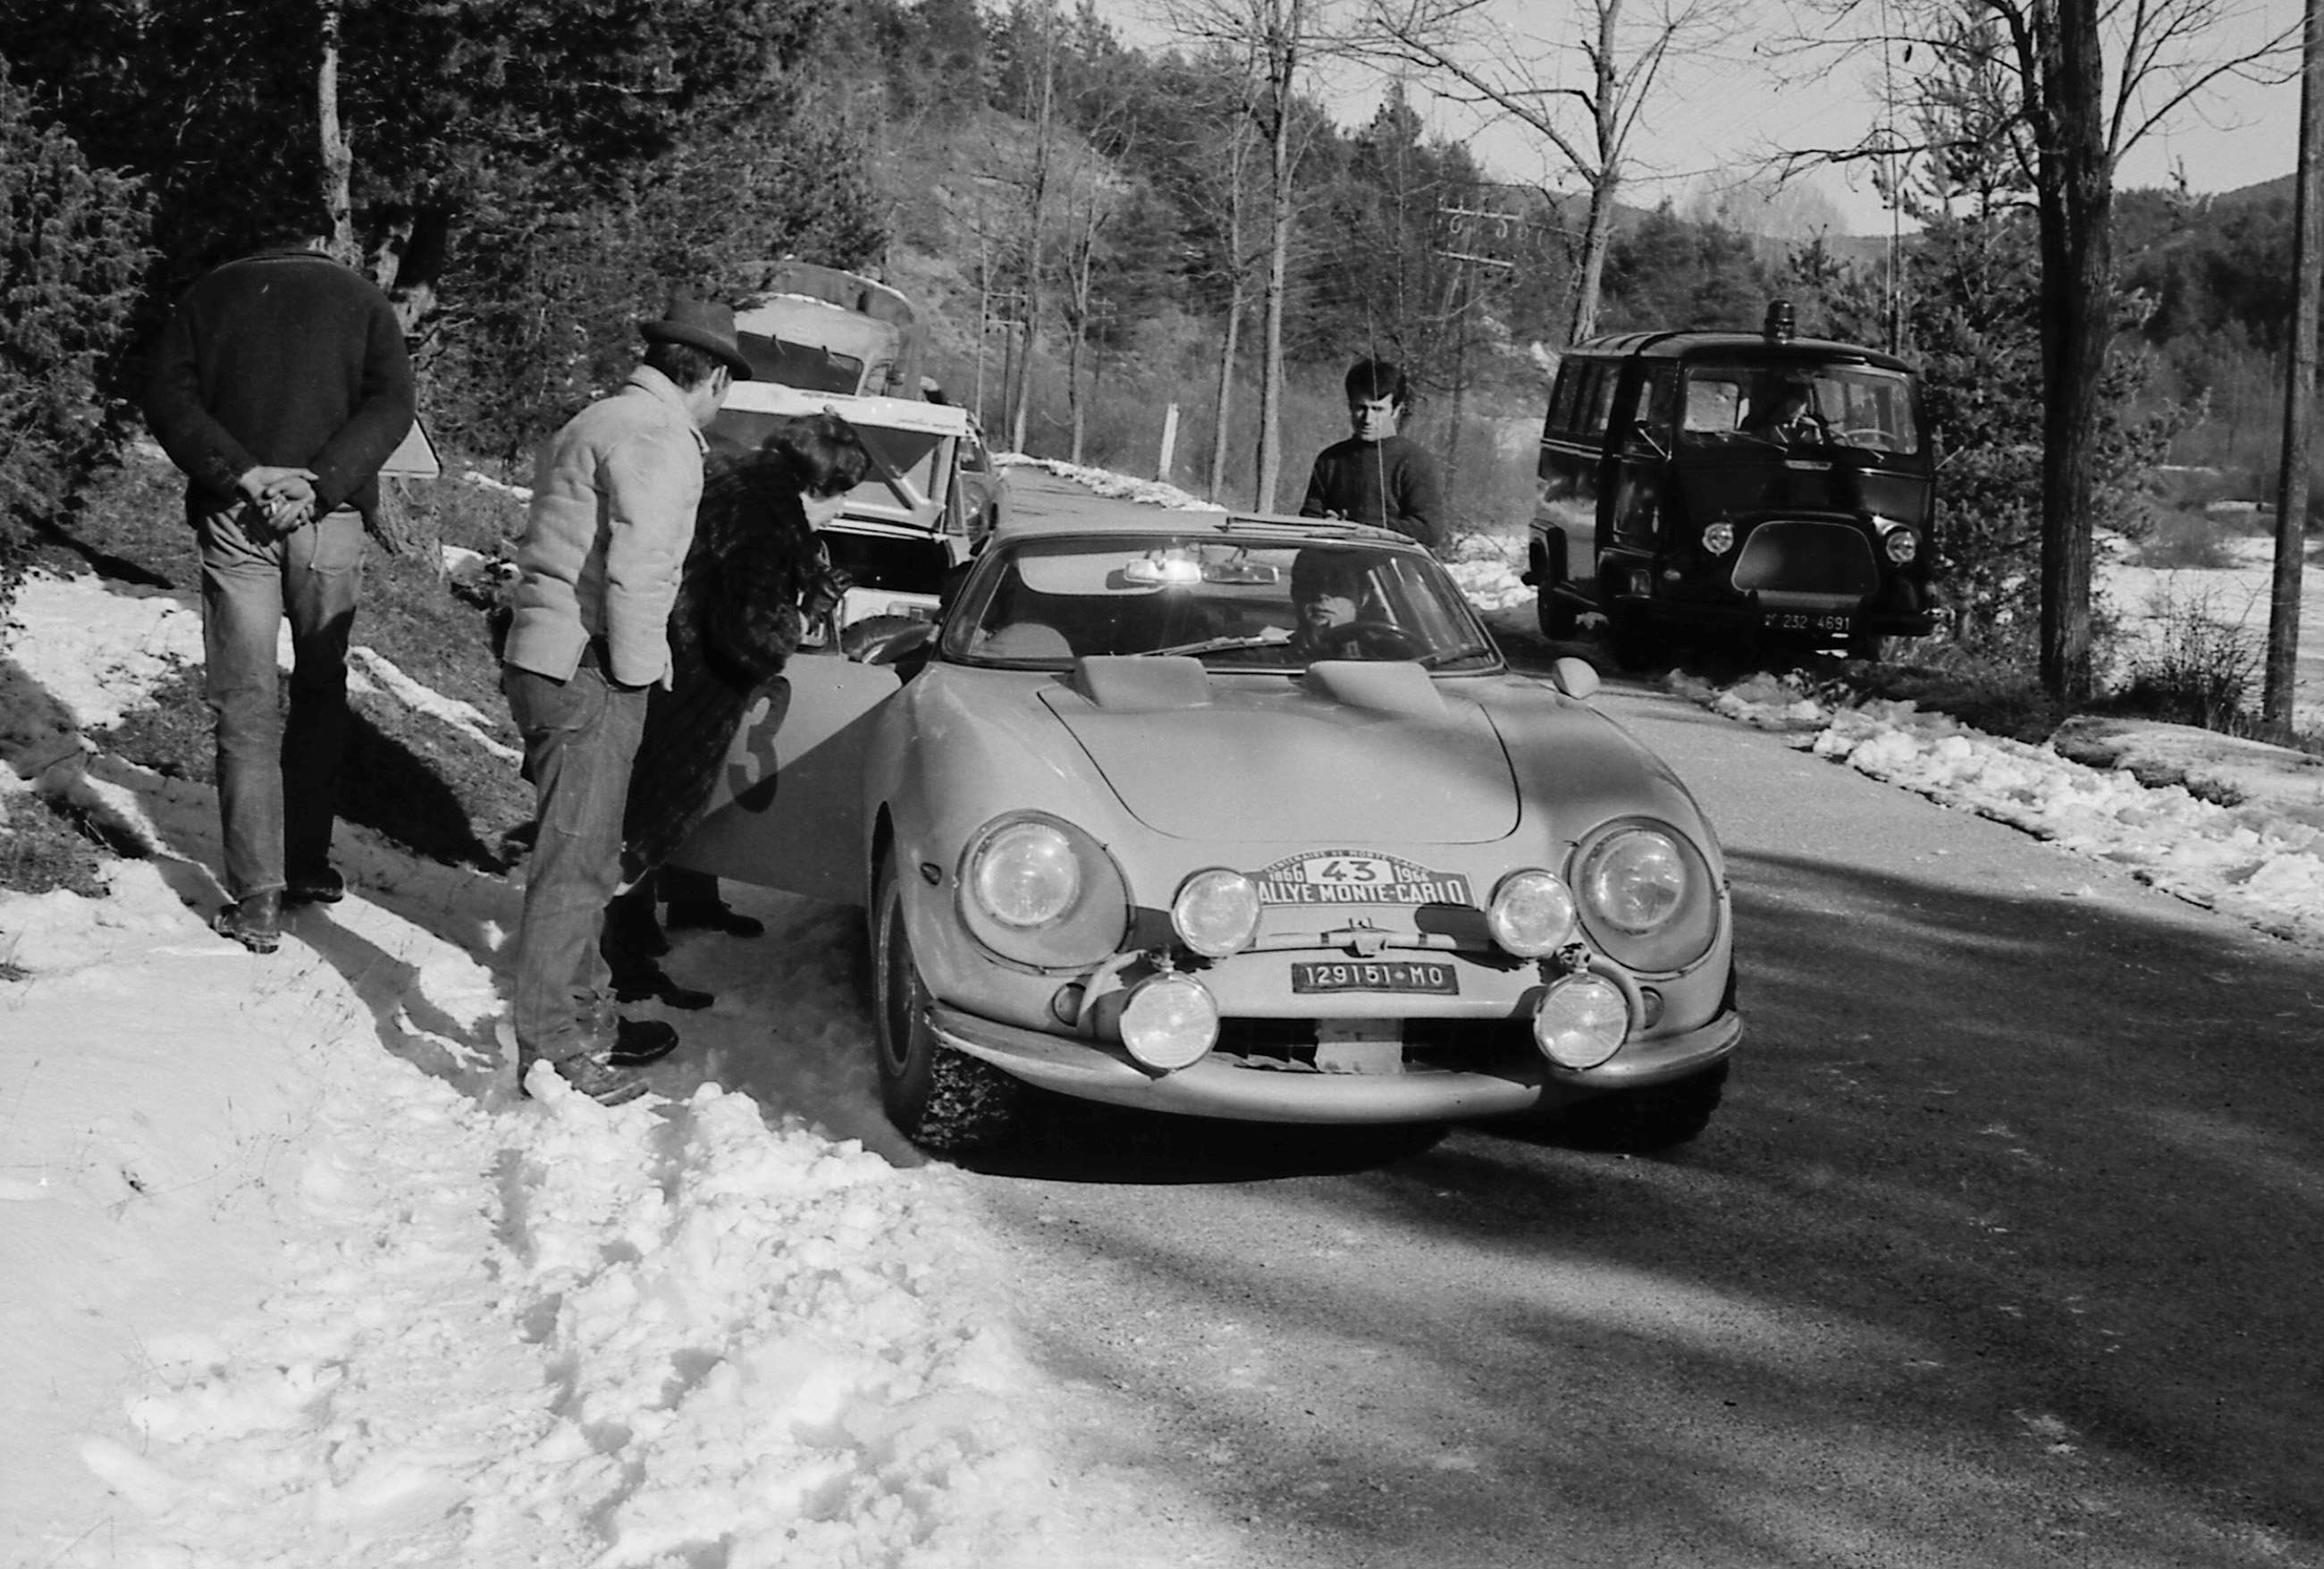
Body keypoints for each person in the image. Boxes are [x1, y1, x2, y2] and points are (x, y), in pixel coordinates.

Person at [143, 198, 417, 956]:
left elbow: (167, 398)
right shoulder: (361, 299)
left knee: (246, 699)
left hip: (239, 514)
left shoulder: (208, 295)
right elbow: (393, 403)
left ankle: (257, 896)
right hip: (327, 520)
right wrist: (323, 482)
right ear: (324, 236)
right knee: (321, 690)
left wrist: (246, 473)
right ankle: (305, 863)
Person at [501, 296, 750, 1105]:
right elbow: (636, 574)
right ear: (709, 375)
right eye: (726, 384)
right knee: (574, 867)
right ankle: (550, 1050)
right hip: (590, 667)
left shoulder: (601, 417)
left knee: (587, 853)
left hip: (547, 653)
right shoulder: (660, 436)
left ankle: (586, 1019)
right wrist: (642, 677)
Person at [601, 415, 868, 1009]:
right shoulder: (768, 519)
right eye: (841, 496)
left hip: (660, 657)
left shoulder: (737, 480)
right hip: (693, 676)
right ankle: (618, 964)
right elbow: (753, 629)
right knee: (647, 816)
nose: (841, 512)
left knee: (637, 807)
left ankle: (634, 934)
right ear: (818, 482)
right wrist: (797, 620)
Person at [1297, 358, 1444, 553]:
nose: (1368, 419)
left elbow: (1430, 530)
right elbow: (1308, 520)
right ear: (1350, 406)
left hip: (1390, 573)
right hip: (1333, 569)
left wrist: (1366, 530)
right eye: (1361, 408)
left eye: (1377, 409)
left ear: (1396, 410)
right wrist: (1327, 525)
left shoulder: (1414, 461)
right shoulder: (1330, 459)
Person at [1284, 546, 1372, 661]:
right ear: (1294, 593)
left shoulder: (1388, 654)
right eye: (1312, 584)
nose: (1322, 594)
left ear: (1362, 598)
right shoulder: (1267, 657)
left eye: (1338, 586)